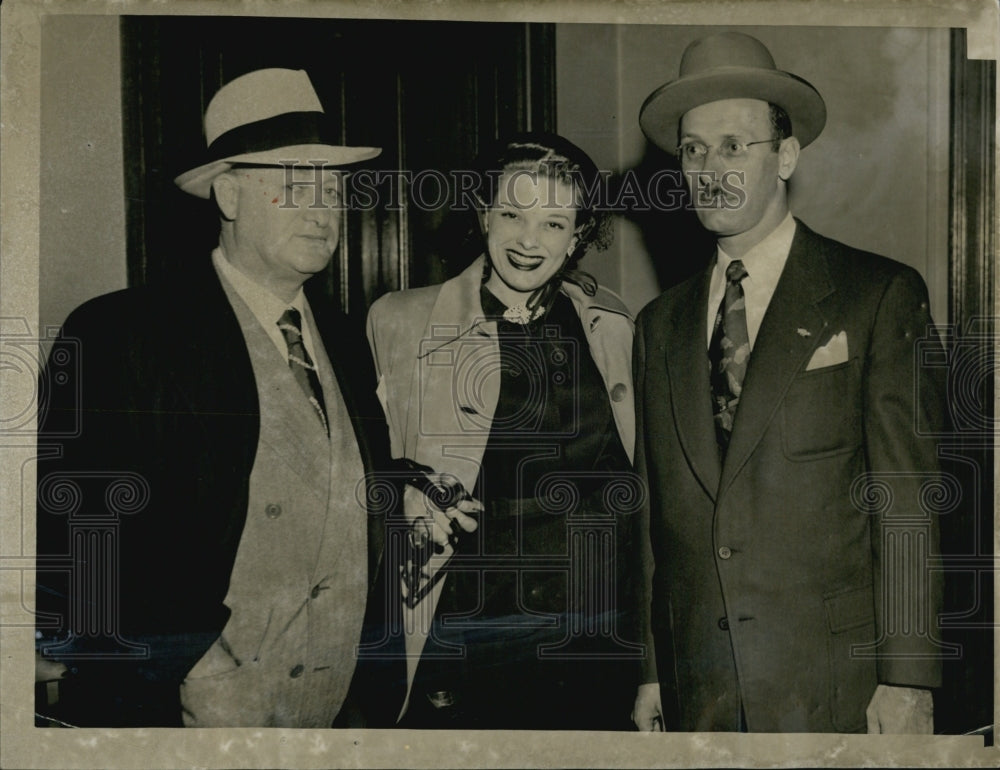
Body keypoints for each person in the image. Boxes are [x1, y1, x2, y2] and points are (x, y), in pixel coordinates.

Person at [34, 67, 403, 728]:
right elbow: (69, 528)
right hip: (189, 712)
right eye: (295, 187)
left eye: (333, 189)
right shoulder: (122, 334)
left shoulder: (348, 339)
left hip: (339, 711)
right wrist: (173, 667)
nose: (323, 212)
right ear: (229, 195)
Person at [630, 32, 947, 733]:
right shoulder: (657, 325)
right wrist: (651, 669)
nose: (711, 168)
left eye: (734, 145)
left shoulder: (876, 295)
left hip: (836, 683)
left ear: (786, 156)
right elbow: (653, 516)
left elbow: (905, 504)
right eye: (693, 149)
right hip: (698, 683)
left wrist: (908, 678)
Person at [365, 133, 642, 729]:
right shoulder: (401, 321)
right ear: (484, 212)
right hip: (467, 639)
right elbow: (363, 475)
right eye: (512, 213)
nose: (527, 240)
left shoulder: (613, 326)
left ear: (579, 235)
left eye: (553, 222)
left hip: (595, 641)